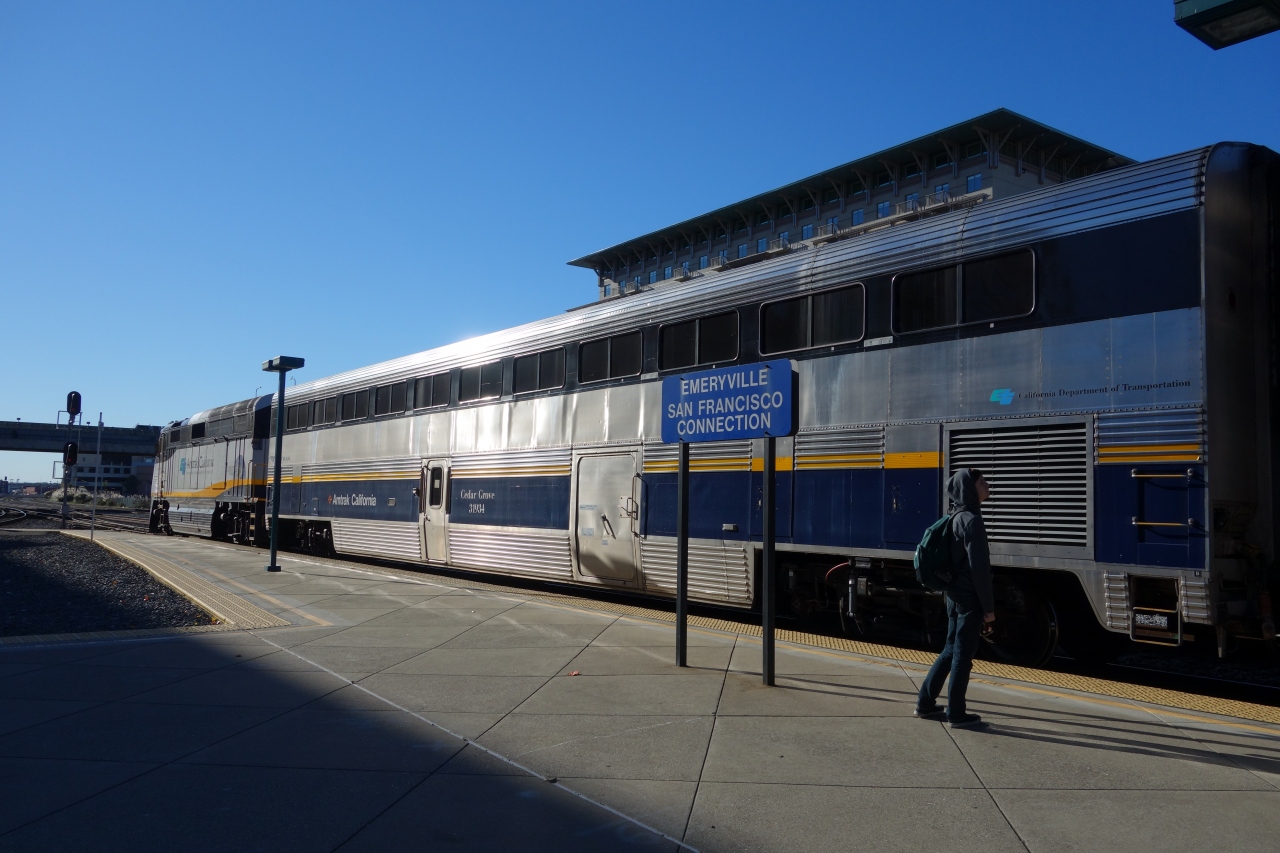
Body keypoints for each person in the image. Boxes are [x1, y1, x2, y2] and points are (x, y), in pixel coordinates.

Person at [915, 468, 995, 728]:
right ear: (971, 489)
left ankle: (925, 703)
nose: (987, 485)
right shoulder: (972, 520)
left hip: (953, 594)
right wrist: (989, 609)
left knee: (950, 649)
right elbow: (980, 570)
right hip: (969, 597)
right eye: (983, 482)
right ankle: (957, 713)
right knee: (962, 655)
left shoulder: (955, 516)